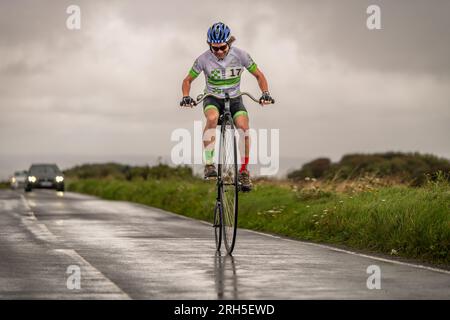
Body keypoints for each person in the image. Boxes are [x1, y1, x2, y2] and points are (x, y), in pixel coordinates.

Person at [180, 22, 274, 192]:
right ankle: (209, 164)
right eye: (214, 48)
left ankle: (244, 171)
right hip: (212, 99)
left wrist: (265, 93)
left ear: (229, 43)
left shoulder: (241, 55)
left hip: (235, 98)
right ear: (210, 45)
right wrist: (186, 96)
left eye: (222, 47)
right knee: (212, 118)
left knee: (244, 129)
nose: (219, 52)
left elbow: (259, 75)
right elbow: (187, 80)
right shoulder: (203, 59)